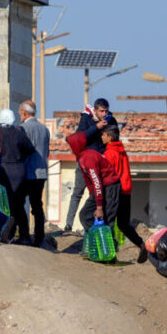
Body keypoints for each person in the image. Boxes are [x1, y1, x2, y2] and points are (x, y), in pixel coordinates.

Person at [63, 99, 118, 232]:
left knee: (96, 193)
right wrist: (96, 127)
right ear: (96, 110)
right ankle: (69, 225)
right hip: (85, 160)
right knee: (78, 192)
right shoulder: (86, 118)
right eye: (101, 111)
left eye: (106, 111)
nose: (104, 114)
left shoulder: (111, 120)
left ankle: (96, 225)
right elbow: (80, 137)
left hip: (101, 162)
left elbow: (115, 137)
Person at [101, 125, 148, 263]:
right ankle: (141, 244)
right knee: (123, 224)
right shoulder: (121, 151)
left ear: (109, 137)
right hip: (126, 191)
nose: (102, 137)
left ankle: (110, 254)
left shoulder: (109, 153)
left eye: (103, 135)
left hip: (115, 191)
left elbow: (107, 175)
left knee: (108, 222)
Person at [65, 131, 121, 235]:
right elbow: (89, 181)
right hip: (101, 188)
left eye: (70, 145)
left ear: (76, 145)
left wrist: (99, 207)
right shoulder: (81, 158)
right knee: (85, 215)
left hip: (110, 187)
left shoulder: (88, 158)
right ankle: (97, 239)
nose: (68, 148)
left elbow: (96, 182)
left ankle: (107, 242)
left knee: (107, 219)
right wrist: (94, 199)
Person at [0, 109, 34, 243]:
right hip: (18, 170)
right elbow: (30, 149)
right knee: (18, 204)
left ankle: (4, 234)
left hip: (2, 169)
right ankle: (24, 235)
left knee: (1, 203)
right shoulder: (18, 133)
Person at [18, 100, 50, 246]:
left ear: (24, 113)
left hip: (27, 172)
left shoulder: (22, 128)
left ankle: (24, 235)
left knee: (18, 203)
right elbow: (46, 151)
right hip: (41, 172)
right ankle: (39, 238)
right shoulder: (45, 129)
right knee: (37, 205)